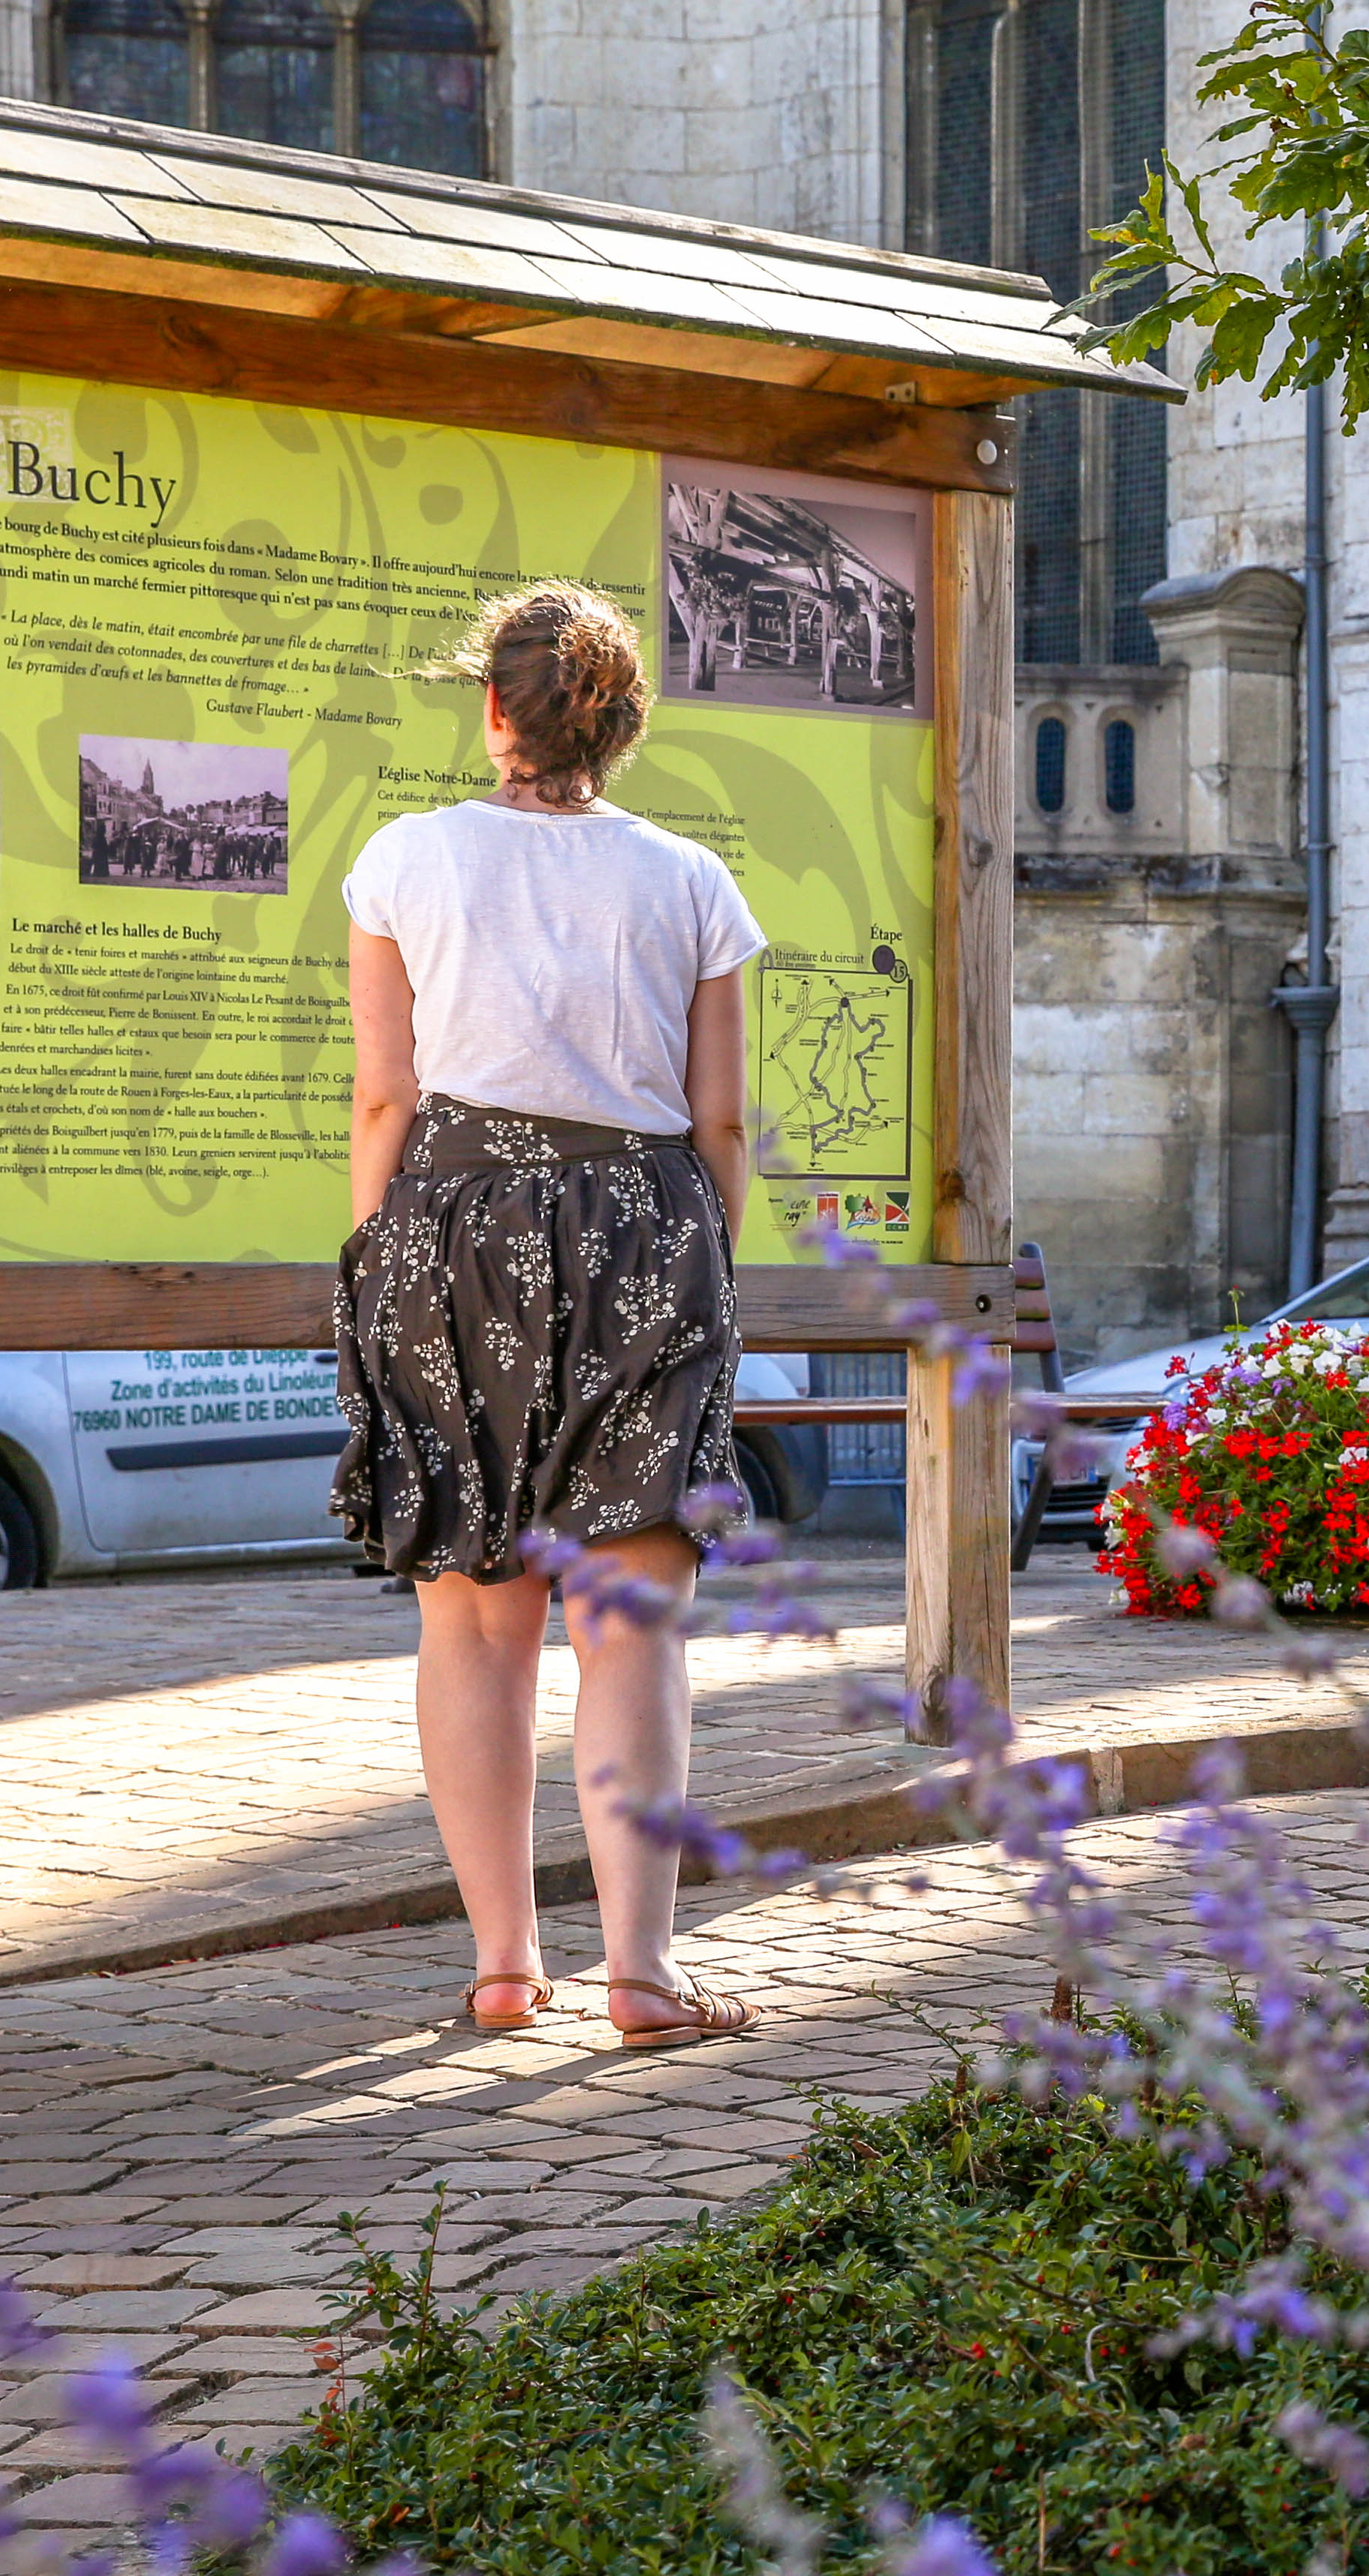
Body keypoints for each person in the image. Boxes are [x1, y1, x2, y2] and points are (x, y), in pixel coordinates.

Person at [331, 580, 768, 2046]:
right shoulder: (690, 880)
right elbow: (722, 1123)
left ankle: (505, 1967)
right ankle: (640, 1970)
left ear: (495, 709)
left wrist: (377, 1260)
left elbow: (385, 1092)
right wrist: (704, 1271)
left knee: (472, 1619)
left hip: (454, 1225)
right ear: (624, 724)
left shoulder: (406, 858)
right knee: (631, 1618)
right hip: (648, 1226)